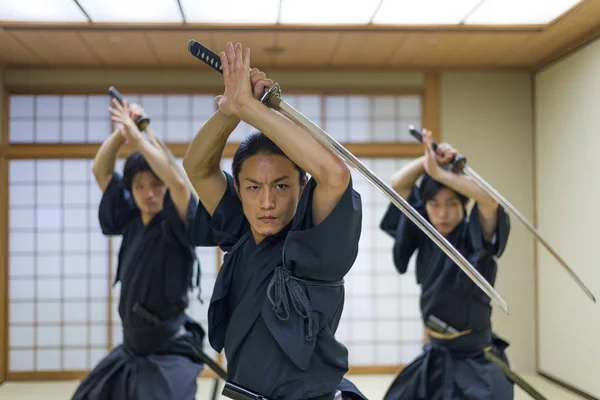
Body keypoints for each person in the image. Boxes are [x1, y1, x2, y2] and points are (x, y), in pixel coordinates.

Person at [183, 42, 366, 400]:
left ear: (302, 186)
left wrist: (252, 110)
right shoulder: (240, 233)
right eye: (254, 187)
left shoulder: (315, 248)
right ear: (238, 188)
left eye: (281, 186)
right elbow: (197, 168)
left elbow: (334, 174)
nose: (267, 202)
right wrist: (230, 110)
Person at [71, 100, 205, 400]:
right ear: (131, 190)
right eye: (140, 186)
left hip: (167, 347)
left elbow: (179, 185)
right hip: (132, 347)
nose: (149, 193)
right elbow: (101, 171)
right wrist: (122, 134)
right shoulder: (131, 219)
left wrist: (140, 140)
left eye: (156, 185)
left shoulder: (175, 222)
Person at [379, 129, 513, 400]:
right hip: (436, 353)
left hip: (475, 356)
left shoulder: (475, 237)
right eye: (434, 204)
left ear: (464, 205)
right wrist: (430, 160)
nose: (442, 213)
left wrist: (442, 175)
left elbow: (489, 201)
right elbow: (398, 184)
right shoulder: (424, 231)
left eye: (451, 203)